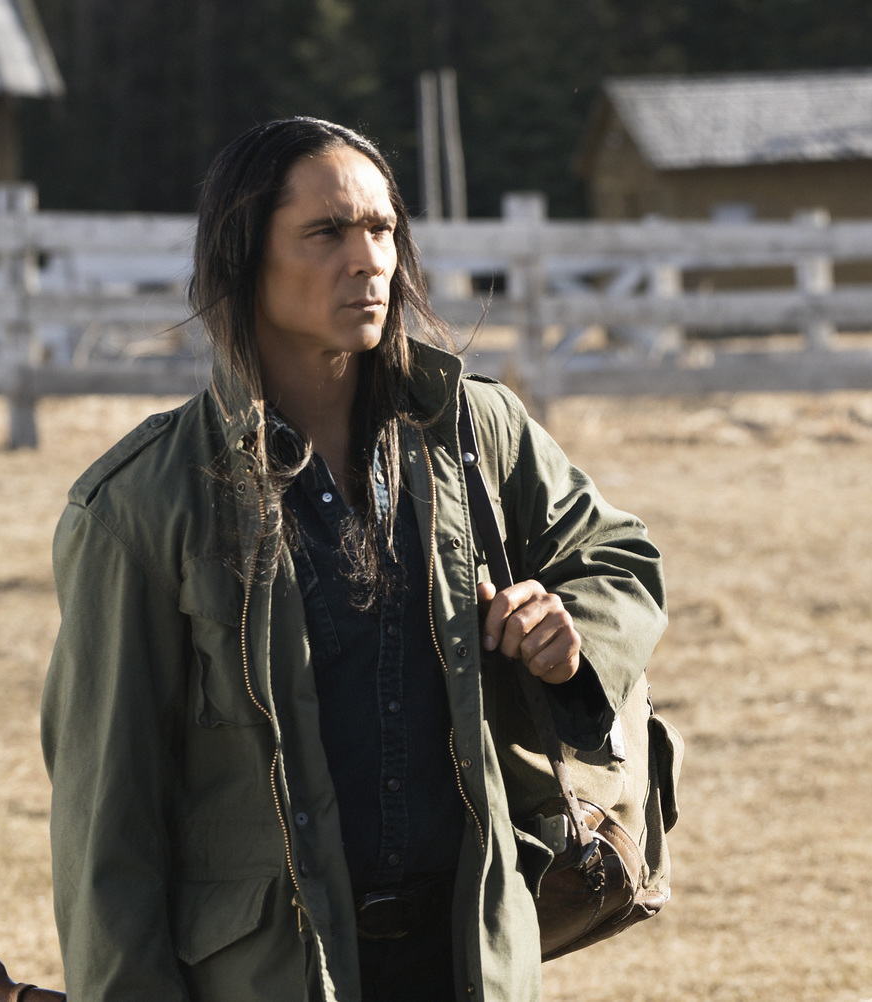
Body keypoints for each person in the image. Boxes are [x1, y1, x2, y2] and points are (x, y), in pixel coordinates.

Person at [40, 117, 667, 1002]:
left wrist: (573, 642)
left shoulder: (473, 431)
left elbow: (616, 556)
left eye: (381, 228)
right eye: (326, 232)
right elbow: (109, 828)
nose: (369, 260)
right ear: (243, 256)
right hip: (268, 975)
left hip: (471, 959)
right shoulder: (141, 505)